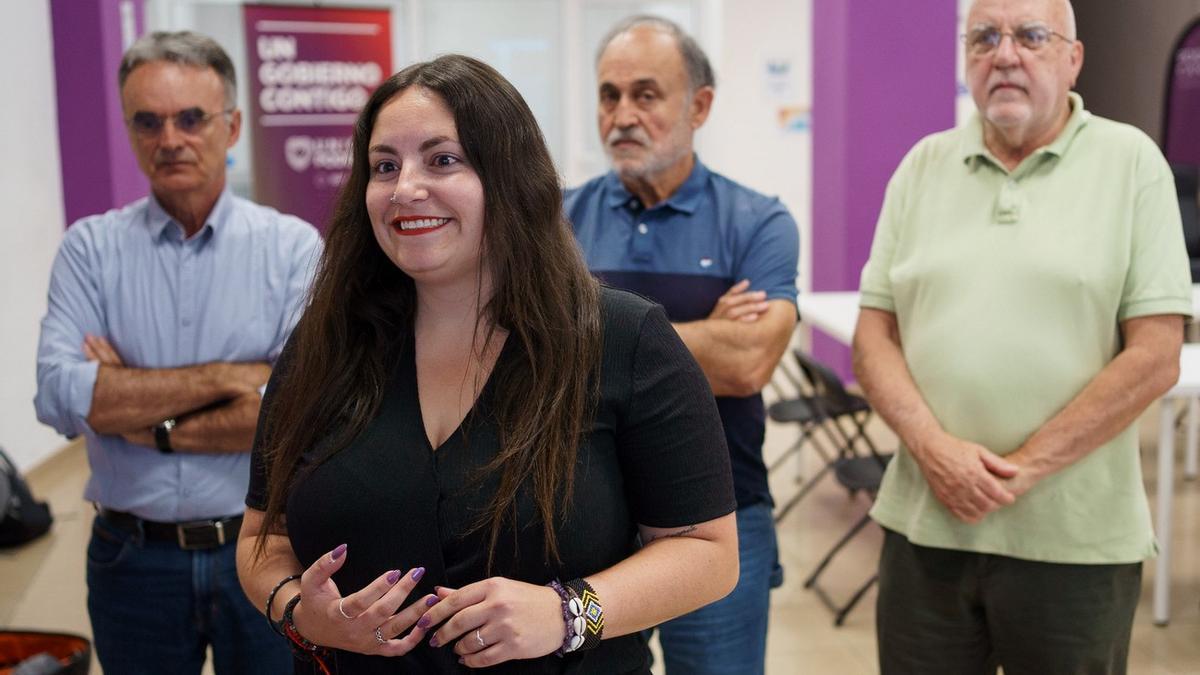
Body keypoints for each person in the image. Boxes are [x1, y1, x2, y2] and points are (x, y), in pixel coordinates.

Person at [235, 54, 739, 674]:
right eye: (384, 166)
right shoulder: (326, 346)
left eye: (443, 160)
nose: (405, 188)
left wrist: (569, 612)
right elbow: (265, 540)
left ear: (509, 177)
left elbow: (708, 553)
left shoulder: (623, 338)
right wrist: (297, 614)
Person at [853, 1, 1191, 673]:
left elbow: (1156, 355)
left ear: (1073, 58)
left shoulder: (1132, 165)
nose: (1005, 54)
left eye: (1032, 36)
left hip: (1075, 544)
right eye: (984, 37)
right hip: (927, 531)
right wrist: (934, 450)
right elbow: (873, 337)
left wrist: (1022, 467)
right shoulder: (922, 166)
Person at [34, 31, 321, 674]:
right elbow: (57, 392)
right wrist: (237, 376)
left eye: (192, 118)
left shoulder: (293, 250)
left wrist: (127, 399)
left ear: (233, 124)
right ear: (130, 128)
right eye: (148, 121)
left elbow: (300, 411)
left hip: (264, 549)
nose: (170, 139)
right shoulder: (90, 250)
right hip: (131, 560)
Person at [563, 16, 798, 675]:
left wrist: (593, 340)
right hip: (585, 514)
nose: (622, 115)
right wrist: (703, 335)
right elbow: (533, 355)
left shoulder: (758, 220)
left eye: (646, 94)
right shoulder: (558, 220)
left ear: (699, 106)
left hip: (720, 513)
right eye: (609, 95)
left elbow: (746, 361)